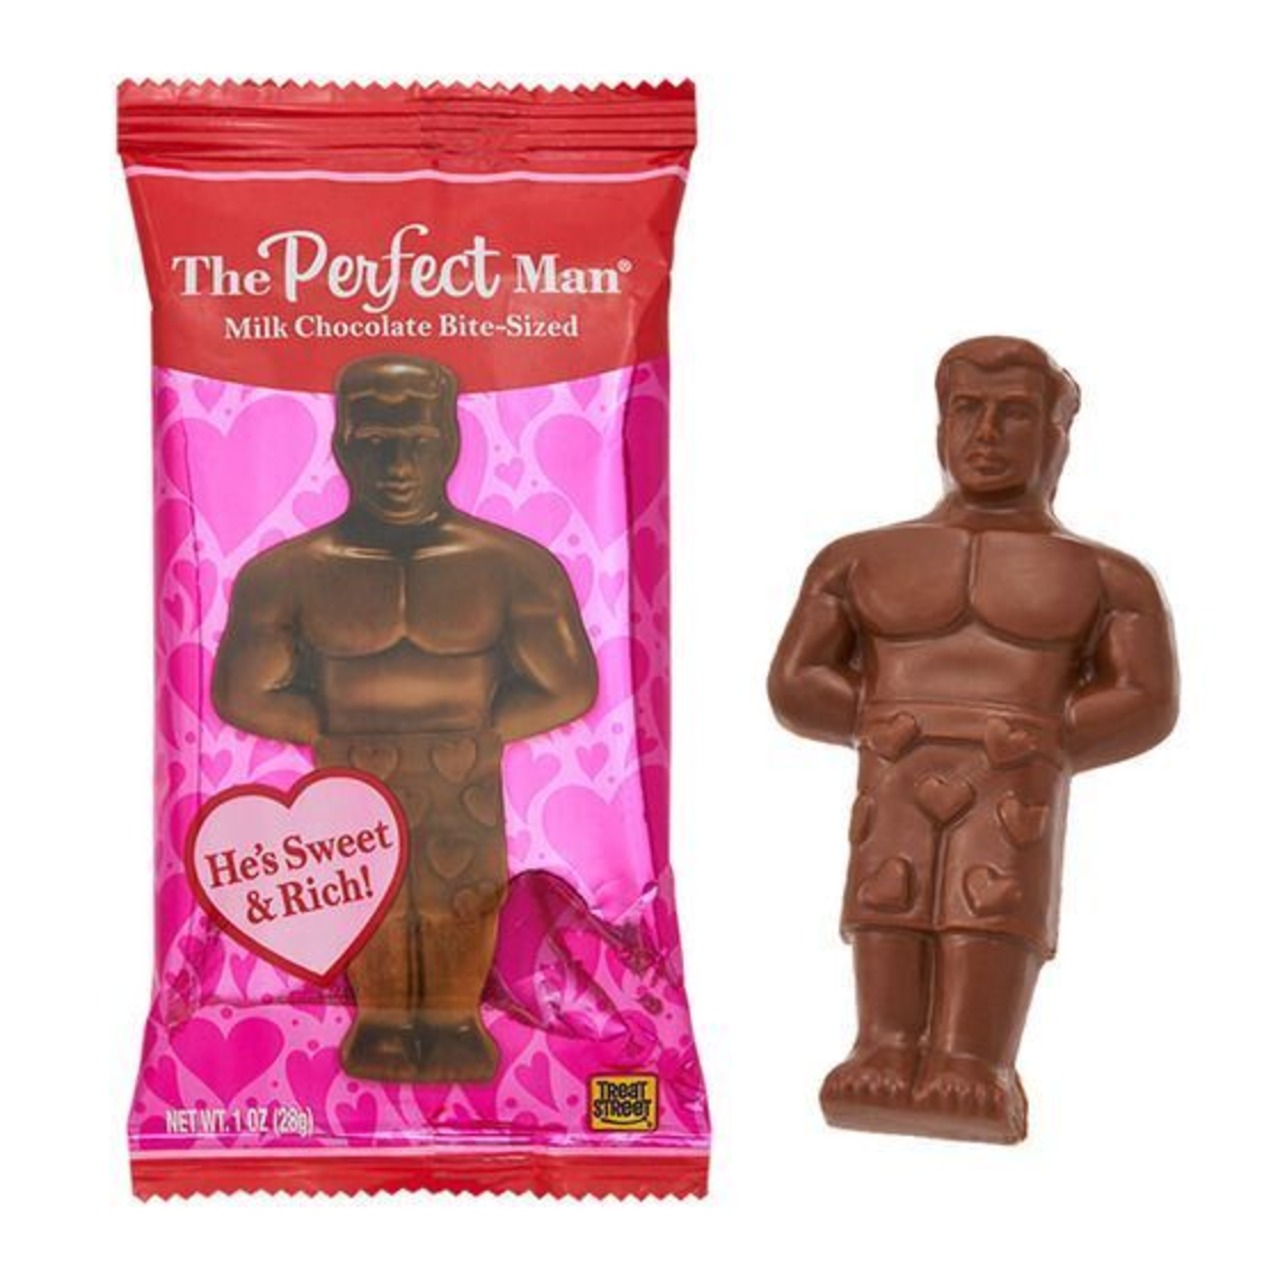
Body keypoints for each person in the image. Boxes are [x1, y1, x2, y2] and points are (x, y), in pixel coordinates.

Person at [768, 337, 1178, 1141]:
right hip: (895, 758)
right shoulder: (857, 559)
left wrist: (1049, 734)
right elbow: (795, 680)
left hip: (1014, 772)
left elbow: (1146, 698)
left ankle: (973, 1059)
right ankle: (882, 1046)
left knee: (994, 896)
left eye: (1015, 414)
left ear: (1058, 435)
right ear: (940, 425)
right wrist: (871, 716)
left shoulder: (1108, 577)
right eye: (967, 410)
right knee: (887, 888)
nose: (986, 433)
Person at [213, 355, 598, 1082]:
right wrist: (332, 731)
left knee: (463, 894)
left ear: (451, 440)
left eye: (418, 442)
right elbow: (240, 691)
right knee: (370, 893)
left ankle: (453, 1022)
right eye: (376, 442)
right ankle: (383, 1023)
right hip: (351, 769)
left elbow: (571, 684)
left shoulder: (514, 567)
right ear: (342, 443)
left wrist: (480, 731)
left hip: (464, 774)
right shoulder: (284, 575)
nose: (397, 465)